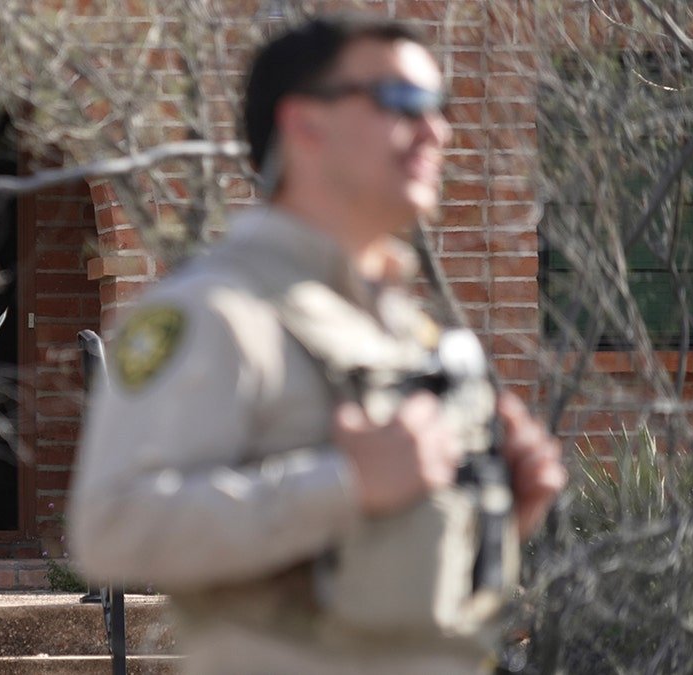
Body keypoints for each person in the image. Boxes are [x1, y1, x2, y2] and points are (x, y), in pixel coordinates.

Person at [67, 14, 567, 675]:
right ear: (305, 124)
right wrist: (344, 484)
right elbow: (112, 527)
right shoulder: (212, 314)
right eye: (402, 103)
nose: (435, 129)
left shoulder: (411, 335)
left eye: (439, 107)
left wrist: (502, 513)